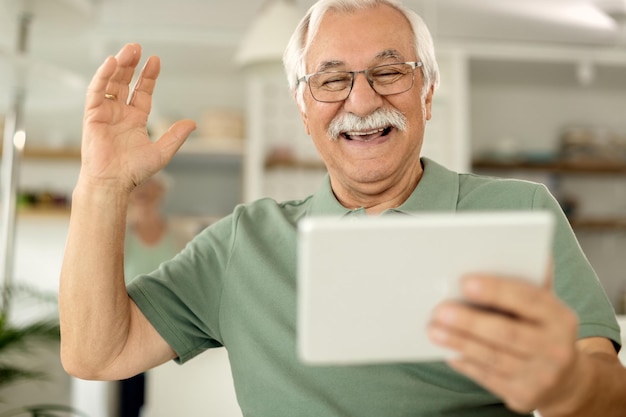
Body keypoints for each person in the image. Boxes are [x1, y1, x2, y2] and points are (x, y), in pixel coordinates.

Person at [59, 0, 625, 416]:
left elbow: (610, 390)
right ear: (304, 109)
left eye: (388, 71)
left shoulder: (518, 210)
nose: (362, 99)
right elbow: (96, 355)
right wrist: (102, 187)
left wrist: (568, 386)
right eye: (331, 79)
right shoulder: (243, 242)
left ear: (427, 92)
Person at [118, 172, 181, 417]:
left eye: (150, 184)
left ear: (161, 191)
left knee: (166, 400)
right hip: (128, 330)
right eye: (137, 185)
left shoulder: (179, 234)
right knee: (129, 402)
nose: (143, 190)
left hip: (168, 330)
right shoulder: (120, 235)